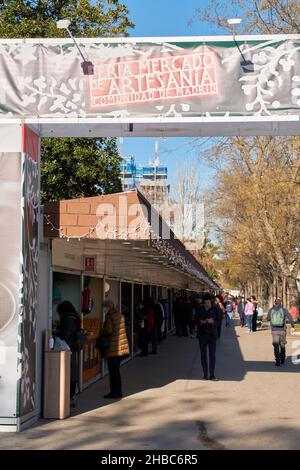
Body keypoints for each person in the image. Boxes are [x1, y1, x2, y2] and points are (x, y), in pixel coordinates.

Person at [101, 299, 129, 398]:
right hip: (120, 347)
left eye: (104, 307)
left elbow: (109, 330)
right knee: (116, 371)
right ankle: (119, 391)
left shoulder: (109, 316)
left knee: (113, 371)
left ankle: (114, 392)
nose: (103, 310)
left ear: (107, 307)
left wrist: (102, 331)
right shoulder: (119, 314)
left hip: (113, 347)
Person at [56, 300, 82, 407]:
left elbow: (66, 334)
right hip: (72, 348)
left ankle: (69, 397)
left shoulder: (67, 319)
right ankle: (71, 397)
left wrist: (56, 332)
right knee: (72, 372)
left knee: (68, 373)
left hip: (67, 348)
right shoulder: (74, 317)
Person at [196, 293, 222, 381]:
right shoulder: (199, 309)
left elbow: (219, 321)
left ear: (210, 301)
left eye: (208, 302)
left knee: (212, 355)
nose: (207, 304)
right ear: (203, 303)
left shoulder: (216, 309)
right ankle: (205, 375)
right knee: (203, 355)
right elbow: (195, 320)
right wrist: (201, 322)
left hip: (212, 335)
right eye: (205, 302)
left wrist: (213, 322)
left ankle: (212, 375)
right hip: (202, 335)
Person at [267, 298, 295, 367]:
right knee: (282, 345)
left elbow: (268, 318)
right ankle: (282, 359)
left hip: (274, 330)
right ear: (280, 303)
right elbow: (290, 318)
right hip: (282, 330)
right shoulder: (284, 310)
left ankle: (277, 361)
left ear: (275, 303)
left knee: (276, 345)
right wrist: (292, 326)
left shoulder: (271, 310)